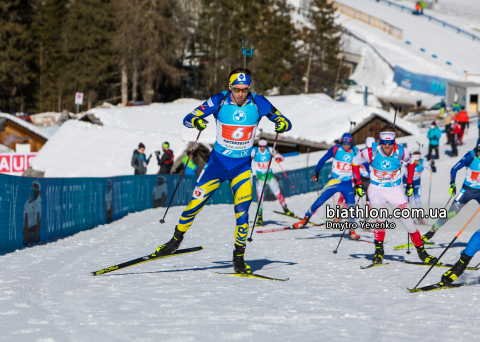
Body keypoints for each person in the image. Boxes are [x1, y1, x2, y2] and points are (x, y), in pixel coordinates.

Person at [151, 67, 292, 274]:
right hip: (216, 165)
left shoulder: (259, 102)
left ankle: (239, 259)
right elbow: (188, 118)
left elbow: (284, 121)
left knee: (242, 214)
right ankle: (174, 241)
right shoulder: (219, 100)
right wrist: (197, 121)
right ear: (230, 87)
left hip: (241, 168)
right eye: (237, 89)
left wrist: (281, 123)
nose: (241, 93)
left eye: (245, 89)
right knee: (194, 205)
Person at [352, 124, 438, 265]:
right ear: (380, 141)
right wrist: (357, 183)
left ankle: (422, 253)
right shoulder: (370, 152)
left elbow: (411, 162)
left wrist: (409, 183)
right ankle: (379, 252)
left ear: (394, 141)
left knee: (408, 223)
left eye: (390, 142)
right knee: (380, 216)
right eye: (384, 142)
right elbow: (354, 162)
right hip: (376, 189)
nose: (387, 145)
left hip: (394, 190)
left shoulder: (402, 152)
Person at [292, 133, 361, 240]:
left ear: (351, 142)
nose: (345, 145)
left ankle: (352, 230)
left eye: (348, 143)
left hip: (347, 183)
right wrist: (317, 172)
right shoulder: (335, 149)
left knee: (351, 207)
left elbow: (365, 164)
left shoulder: (356, 151)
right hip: (334, 181)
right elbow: (323, 160)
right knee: (319, 200)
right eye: (343, 143)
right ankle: (304, 220)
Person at [422, 138, 480, 243]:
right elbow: (454, 169)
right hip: (468, 190)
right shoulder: (470, 156)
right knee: (452, 213)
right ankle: (433, 230)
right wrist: (452, 184)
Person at [251, 139, 293, 226]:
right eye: (261, 146)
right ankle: (259, 218)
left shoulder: (270, 150)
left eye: (264, 146)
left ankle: (286, 209)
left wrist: (278, 158)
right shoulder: (254, 150)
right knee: (260, 198)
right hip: (260, 178)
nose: (262, 148)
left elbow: (281, 157)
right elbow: (246, 158)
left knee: (278, 194)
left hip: (269, 176)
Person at [402, 151, 436, 224]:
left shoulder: (423, 162)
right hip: (407, 181)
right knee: (408, 199)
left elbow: (433, 170)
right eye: (415, 160)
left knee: (417, 200)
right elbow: (399, 165)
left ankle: (419, 217)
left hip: (417, 182)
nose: (416, 162)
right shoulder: (408, 161)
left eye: (417, 160)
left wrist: (433, 166)